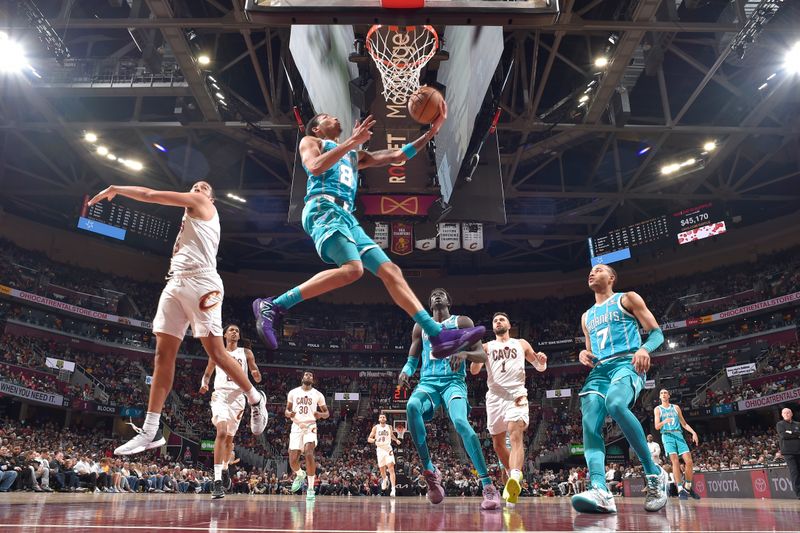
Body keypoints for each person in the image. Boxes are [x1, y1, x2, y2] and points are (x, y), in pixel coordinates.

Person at [252, 110, 484, 360]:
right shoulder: (312, 142)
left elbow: (396, 156)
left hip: (347, 217)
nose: (335, 117)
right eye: (328, 116)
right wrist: (352, 142)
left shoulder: (353, 155)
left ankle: (436, 335)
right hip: (323, 207)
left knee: (391, 271)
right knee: (353, 270)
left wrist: (430, 133)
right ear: (317, 128)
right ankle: (274, 305)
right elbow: (315, 168)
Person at [88, 182, 269, 455]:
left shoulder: (202, 204)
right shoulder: (191, 217)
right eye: (195, 185)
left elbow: (151, 195)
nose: (198, 188)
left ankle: (255, 399)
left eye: (204, 187)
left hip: (202, 282)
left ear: (211, 199)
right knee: (162, 355)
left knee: (217, 354)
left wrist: (117, 188)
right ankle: (151, 430)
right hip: (175, 282)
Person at [572, 264, 668, 514]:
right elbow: (592, 350)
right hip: (600, 370)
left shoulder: (627, 298)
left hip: (628, 362)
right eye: (590, 270)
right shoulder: (586, 316)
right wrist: (584, 353)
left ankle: (654, 474)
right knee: (589, 421)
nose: (592, 272)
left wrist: (645, 348)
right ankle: (600, 490)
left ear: (611, 278)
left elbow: (657, 333)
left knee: (615, 404)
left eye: (599, 269)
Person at [398, 288, 501, 510]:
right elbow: (412, 359)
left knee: (461, 423)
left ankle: (488, 485)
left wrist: (463, 354)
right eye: (433, 294)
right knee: (412, 406)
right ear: (429, 303)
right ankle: (430, 470)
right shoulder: (420, 326)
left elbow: (482, 355)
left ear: (448, 301)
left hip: (454, 381)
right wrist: (406, 371)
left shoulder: (462, 322)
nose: (436, 295)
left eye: (441, 293)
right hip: (428, 382)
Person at [469, 312, 547, 507]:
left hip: (516, 395)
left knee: (515, 435)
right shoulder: (486, 347)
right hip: (494, 398)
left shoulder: (521, 343)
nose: (498, 322)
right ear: (493, 327)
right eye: (495, 320)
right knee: (497, 445)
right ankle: (511, 475)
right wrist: (475, 354)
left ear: (509, 324)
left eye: (501, 319)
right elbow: (474, 371)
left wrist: (542, 361)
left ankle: (514, 476)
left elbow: (539, 367)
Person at [199, 323, 262, 499]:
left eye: (237, 330)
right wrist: (204, 383)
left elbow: (254, 370)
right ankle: (217, 481)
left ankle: (225, 468)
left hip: (238, 399)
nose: (235, 332)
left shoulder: (246, 353)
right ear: (225, 335)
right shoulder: (217, 352)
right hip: (220, 395)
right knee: (221, 431)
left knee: (229, 439)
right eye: (232, 330)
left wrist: (256, 374)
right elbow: (207, 374)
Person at [286, 371, 329, 501]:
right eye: (306, 375)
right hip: (296, 426)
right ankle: (300, 474)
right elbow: (286, 411)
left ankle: (310, 489)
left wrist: (320, 415)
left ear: (313, 380)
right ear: (302, 378)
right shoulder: (293, 392)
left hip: (310, 426)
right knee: (293, 461)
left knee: (309, 453)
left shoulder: (318, 394)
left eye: (311, 375)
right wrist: (289, 414)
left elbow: (326, 413)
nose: (308, 376)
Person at [654, 389, 700, 500]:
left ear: (669, 395)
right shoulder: (658, 409)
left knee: (689, 462)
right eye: (661, 393)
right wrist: (665, 421)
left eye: (665, 393)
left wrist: (693, 432)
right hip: (667, 435)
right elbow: (656, 426)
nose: (664, 394)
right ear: (660, 397)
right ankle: (680, 489)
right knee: (675, 462)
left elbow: (684, 423)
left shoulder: (676, 407)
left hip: (678, 435)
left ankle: (688, 486)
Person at [368, 414, 402, 497]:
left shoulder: (389, 427)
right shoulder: (375, 427)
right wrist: (374, 440)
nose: (382, 418)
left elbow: (392, 435)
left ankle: (393, 489)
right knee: (382, 469)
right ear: (379, 419)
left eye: (384, 417)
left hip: (388, 449)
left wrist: (396, 440)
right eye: (381, 417)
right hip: (380, 449)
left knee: (391, 467)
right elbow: (369, 439)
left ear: (386, 419)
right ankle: (384, 479)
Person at [776, 407, 800, 499]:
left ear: (791, 414)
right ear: (782, 415)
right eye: (784, 413)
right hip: (788, 452)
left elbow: (792, 434)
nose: (786, 414)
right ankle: (799, 494)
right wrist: (796, 434)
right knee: (795, 473)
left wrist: (791, 433)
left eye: (788, 412)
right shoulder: (780, 424)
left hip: (799, 451)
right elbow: (784, 435)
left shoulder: (797, 424)